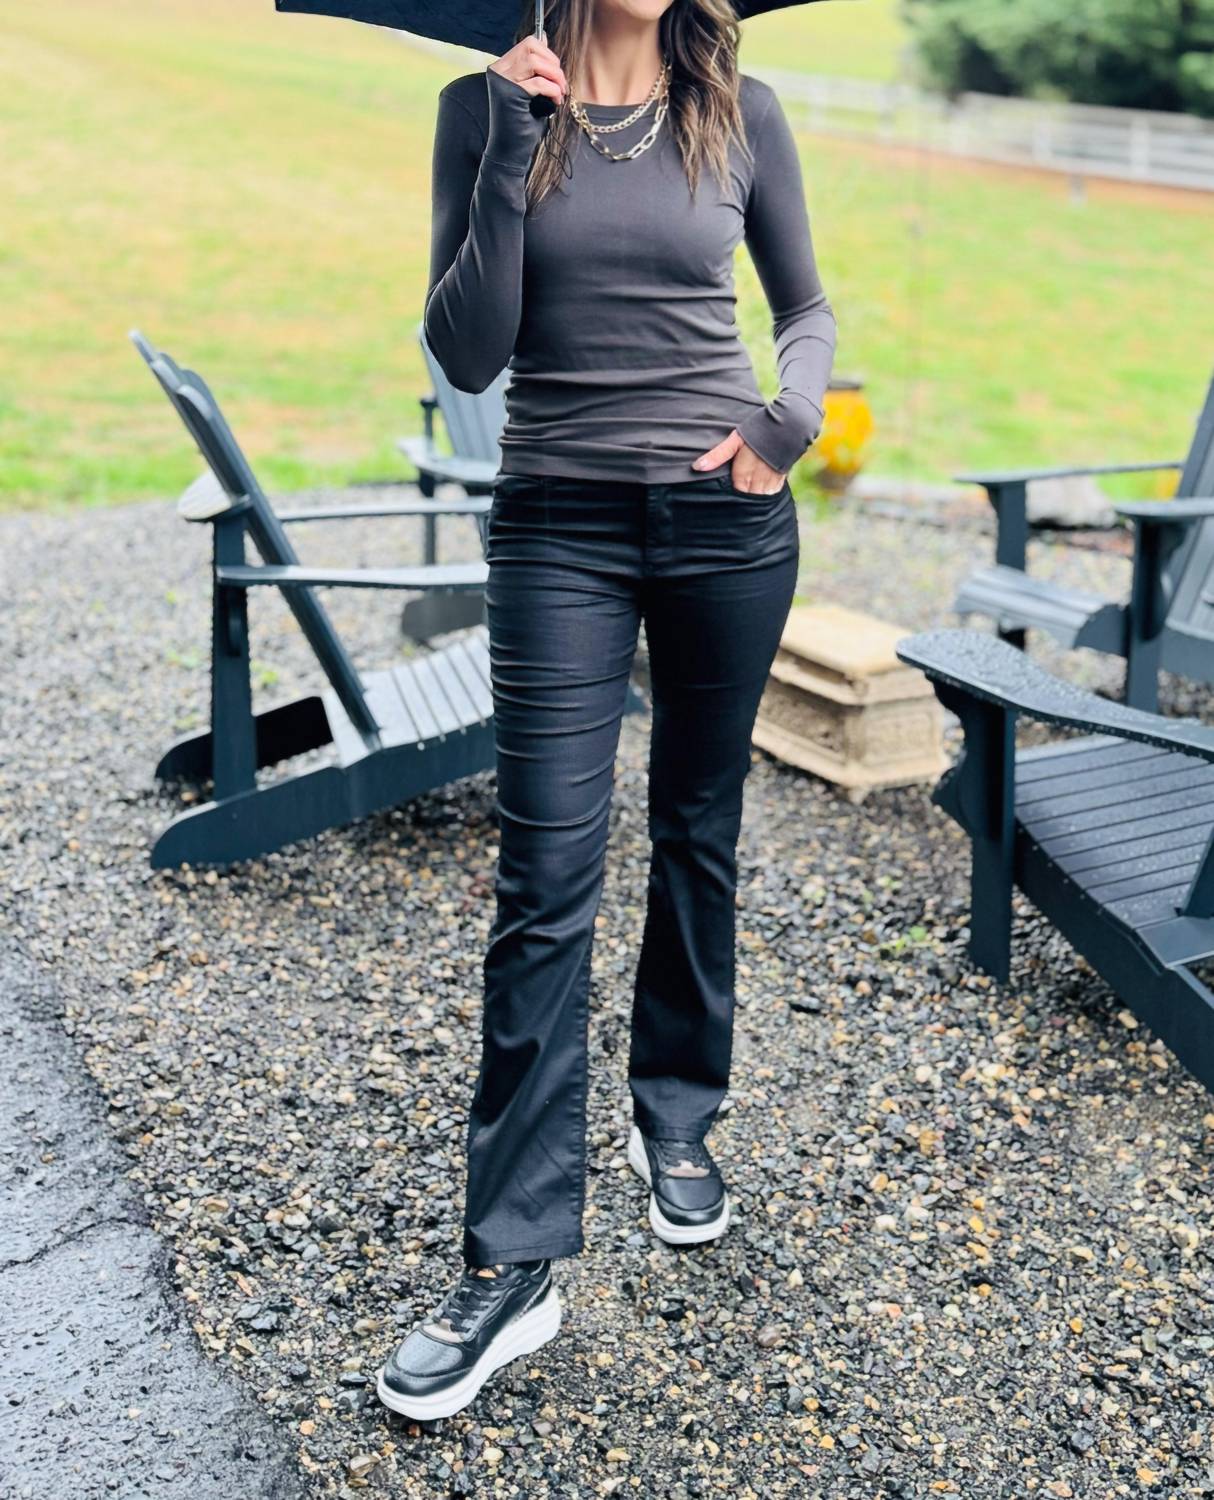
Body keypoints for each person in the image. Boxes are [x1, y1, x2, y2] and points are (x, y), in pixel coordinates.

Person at [376, 0, 836, 1421]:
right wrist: (512, 149)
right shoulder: (482, 109)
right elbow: (466, 351)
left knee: (697, 824)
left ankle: (676, 1114)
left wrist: (787, 421)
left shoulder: (740, 112)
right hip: (557, 530)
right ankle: (512, 1260)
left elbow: (804, 310)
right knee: (545, 874)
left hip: (726, 524)